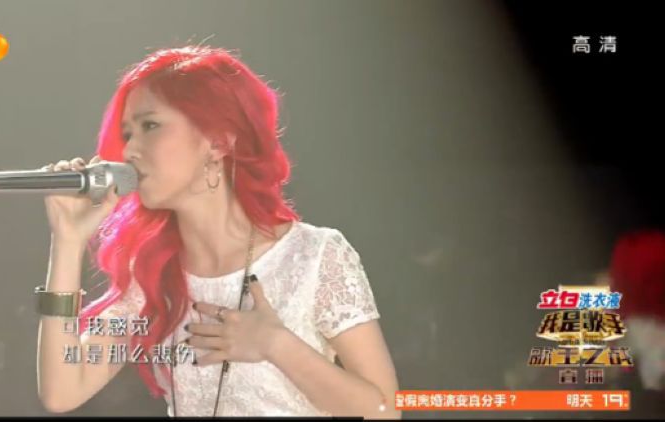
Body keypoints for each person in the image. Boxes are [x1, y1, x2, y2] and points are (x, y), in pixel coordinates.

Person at [35, 44, 400, 418]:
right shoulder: (151, 276)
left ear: (219, 141)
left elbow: (385, 410)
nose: (129, 151)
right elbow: (62, 391)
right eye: (128, 134)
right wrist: (67, 241)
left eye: (150, 126)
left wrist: (276, 345)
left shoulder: (313, 256)